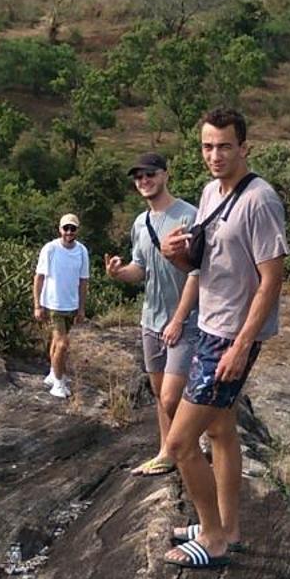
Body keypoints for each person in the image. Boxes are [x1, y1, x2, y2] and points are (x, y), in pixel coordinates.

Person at [160, 108, 287, 567]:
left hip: (230, 337)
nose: (214, 155)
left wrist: (241, 345)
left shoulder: (261, 200)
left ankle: (212, 538)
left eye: (224, 146)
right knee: (220, 429)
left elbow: (271, 279)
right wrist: (174, 254)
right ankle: (227, 525)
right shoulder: (211, 192)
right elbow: (203, 265)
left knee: (177, 445)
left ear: (244, 148)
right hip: (208, 325)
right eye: (207, 146)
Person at [104, 151, 199, 476]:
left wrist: (178, 320)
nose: (144, 181)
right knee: (160, 394)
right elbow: (139, 270)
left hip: (185, 322)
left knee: (174, 396)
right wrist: (119, 273)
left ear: (165, 175)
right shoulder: (140, 224)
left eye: (150, 174)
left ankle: (191, 445)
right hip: (150, 320)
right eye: (138, 177)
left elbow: (198, 273)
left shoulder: (189, 216)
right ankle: (166, 452)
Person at [33, 212, 89, 400]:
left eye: (73, 228)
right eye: (66, 228)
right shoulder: (50, 249)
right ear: (60, 229)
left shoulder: (82, 251)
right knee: (63, 344)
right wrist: (37, 305)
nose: (69, 232)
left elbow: (83, 282)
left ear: (77, 230)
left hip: (71, 304)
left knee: (57, 343)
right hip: (54, 304)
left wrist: (81, 308)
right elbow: (39, 277)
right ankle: (58, 383)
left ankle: (52, 373)